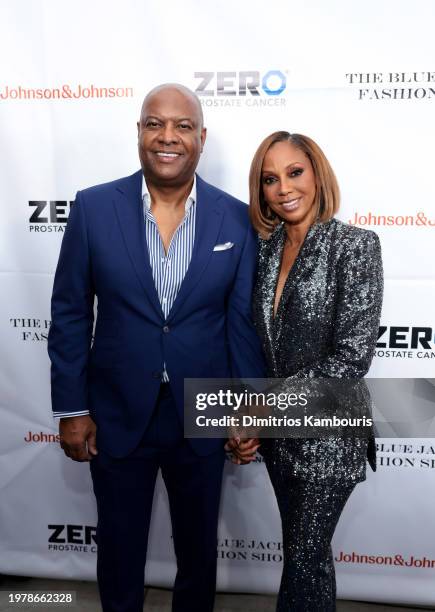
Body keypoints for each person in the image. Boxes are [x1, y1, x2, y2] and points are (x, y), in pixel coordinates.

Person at [47, 83, 266, 612]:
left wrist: (248, 410)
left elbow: (241, 326)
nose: (167, 137)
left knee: (198, 555)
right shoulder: (94, 208)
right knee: (119, 552)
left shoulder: (236, 218)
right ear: (140, 131)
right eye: (154, 124)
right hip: (117, 411)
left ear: (201, 137)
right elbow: (72, 313)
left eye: (182, 126)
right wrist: (72, 408)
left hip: (203, 414)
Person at [231, 131, 383, 611]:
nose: (283, 188)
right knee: (306, 559)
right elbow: (257, 345)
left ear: (317, 173)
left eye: (294, 172)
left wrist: (261, 410)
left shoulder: (355, 246)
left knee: (303, 558)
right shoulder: (265, 250)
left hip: (331, 435)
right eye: (270, 179)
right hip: (280, 439)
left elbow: (351, 356)